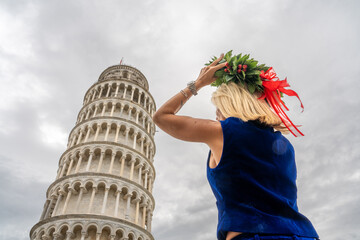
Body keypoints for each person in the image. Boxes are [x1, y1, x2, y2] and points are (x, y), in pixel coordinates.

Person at [152, 53, 319, 240]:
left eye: (218, 110)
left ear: (229, 106)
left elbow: (161, 117)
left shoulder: (224, 132)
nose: (216, 117)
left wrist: (197, 84)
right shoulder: (286, 146)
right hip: (302, 234)